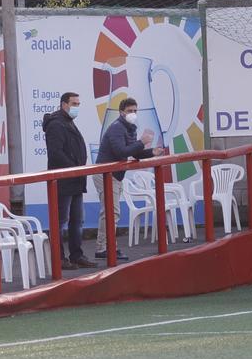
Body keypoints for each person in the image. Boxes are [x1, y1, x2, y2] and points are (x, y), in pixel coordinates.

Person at [93, 97, 165, 260]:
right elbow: (120, 152)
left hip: (115, 175)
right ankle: (103, 247)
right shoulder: (117, 127)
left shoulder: (130, 127)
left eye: (135, 111)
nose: (133, 114)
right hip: (105, 174)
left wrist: (151, 151)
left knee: (112, 212)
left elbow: (134, 152)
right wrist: (141, 142)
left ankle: (108, 246)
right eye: (129, 111)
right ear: (121, 112)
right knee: (111, 212)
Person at [44, 92, 97, 270]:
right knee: (60, 221)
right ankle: (59, 258)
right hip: (64, 180)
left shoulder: (67, 122)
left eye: (79, 104)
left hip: (76, 180)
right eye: (74, 103)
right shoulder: (56, 124)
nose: (77, 107)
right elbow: (56, 153)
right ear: (63, 104)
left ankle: (76, 255)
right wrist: (73, 169)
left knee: (77, 220)